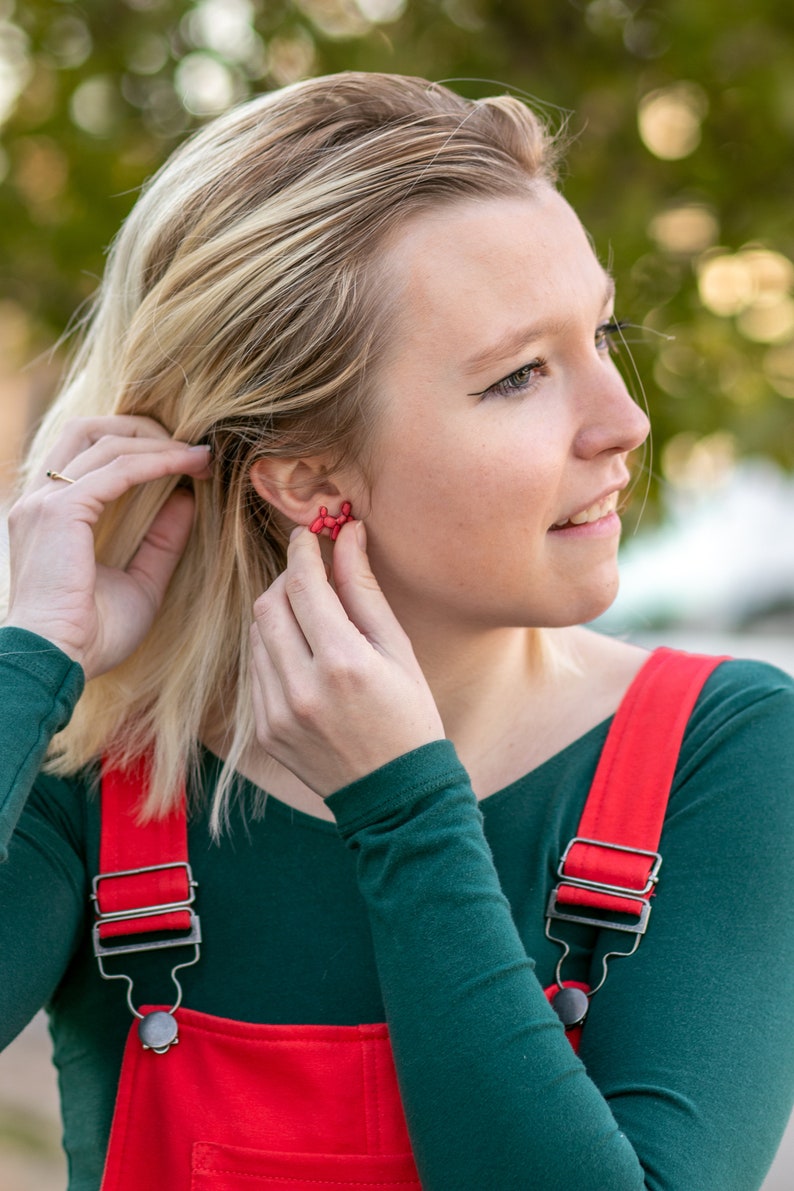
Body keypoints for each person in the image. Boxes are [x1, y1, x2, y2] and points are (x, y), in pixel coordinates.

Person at [1, 71, 792, 1191]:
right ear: (307, 477)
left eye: (599, 333)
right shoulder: (102, 766)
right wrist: (35, 659)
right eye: (519, 375)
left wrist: (402, 810)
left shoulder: (721, 751)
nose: (625, 422)